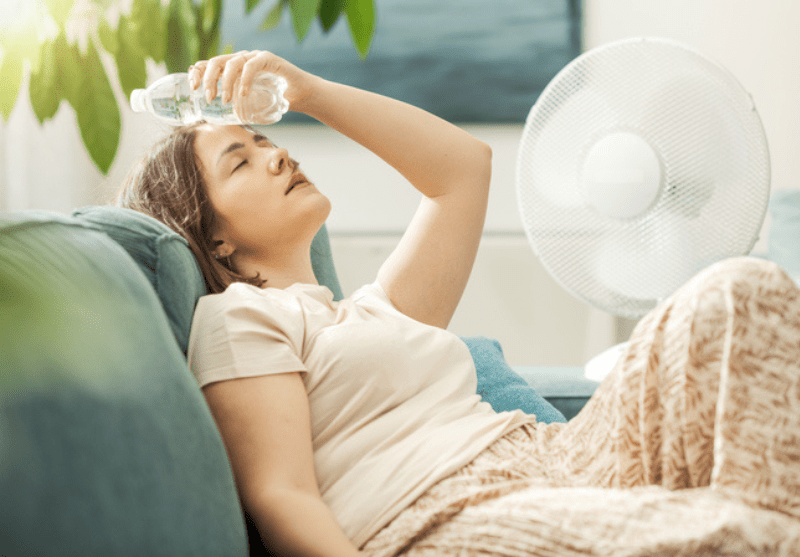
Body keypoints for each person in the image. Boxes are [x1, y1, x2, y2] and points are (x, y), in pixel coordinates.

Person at [117, 50, 800, 557]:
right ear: (214, 237)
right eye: (240, 161)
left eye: (265, 139)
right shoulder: (242, 318)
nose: (276, 157)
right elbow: (280, 496)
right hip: (440, 514)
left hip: (554, 458)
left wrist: (307, 90)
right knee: (737, 535)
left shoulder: (376, 311)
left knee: (738, 291)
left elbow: (461, 170)